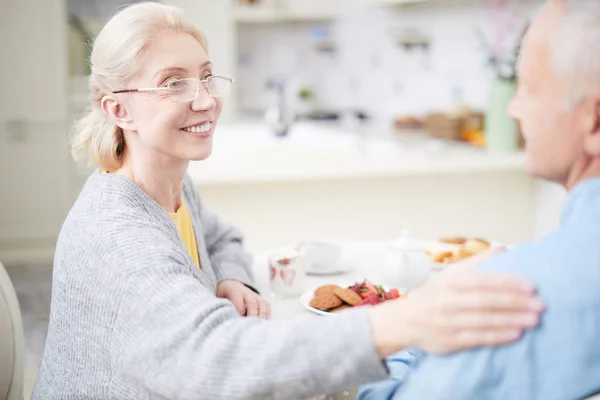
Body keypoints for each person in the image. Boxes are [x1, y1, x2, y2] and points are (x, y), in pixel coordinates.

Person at [32, 3, 544, 399]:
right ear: (118, 108)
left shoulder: (169, 184)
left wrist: (231, 277)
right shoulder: (119, 235)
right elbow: (220, 365)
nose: (205, 99)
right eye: (173, 84)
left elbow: (220, 235)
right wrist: (408, 321)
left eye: (207, 75)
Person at [358, 0, 600, 399]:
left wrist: (412, 327)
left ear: (594, 119)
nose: (513, 108)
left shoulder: (509, 297)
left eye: (529, 88)